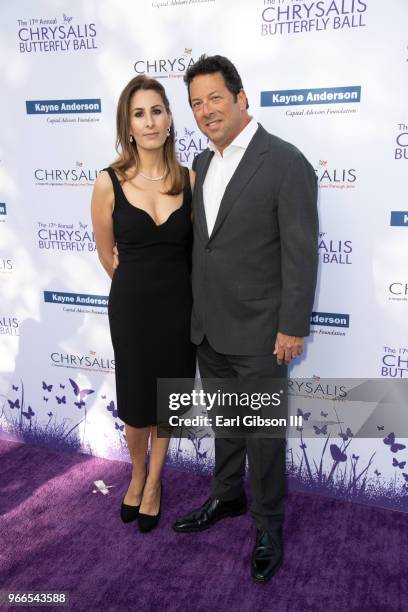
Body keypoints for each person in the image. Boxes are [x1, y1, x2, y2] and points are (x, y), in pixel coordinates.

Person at [172, 55, 319, 583]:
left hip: (262, 332)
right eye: (195, 103)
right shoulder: (202, 163)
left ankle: (269, 524)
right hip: (210, 327)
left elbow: (300, 253)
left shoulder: (285, 161)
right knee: (227, 426)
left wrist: (292, 325)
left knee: (262, 433)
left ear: (241, 98)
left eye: (215, 97)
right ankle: (227, 497)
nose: (206, 110)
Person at [91, 75, 196, 533]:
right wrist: (140, 288)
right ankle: (135, 472)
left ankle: (154, 481)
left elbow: (197, 250)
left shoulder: (190, 180)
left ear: (170, 119)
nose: (149, 121)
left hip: (180, 311)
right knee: (136, 404)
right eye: (139, 113)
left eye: (157, 110)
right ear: (127, 125)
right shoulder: (107, 182)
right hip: (132, 310)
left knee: (167, 401)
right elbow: (106, 255)